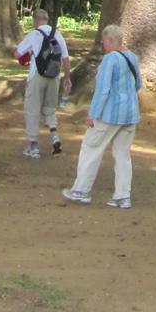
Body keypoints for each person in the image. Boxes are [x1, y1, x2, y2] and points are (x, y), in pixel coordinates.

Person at [62, 24, 141, 209]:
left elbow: (103, 90)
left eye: (104, 42)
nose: (103, 46)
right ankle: (122, 196)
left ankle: (81, 190)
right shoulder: (132, 57)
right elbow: (138, 84)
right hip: (130, 114)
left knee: (91, 148)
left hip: (109, 115)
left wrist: (93, 114)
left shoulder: (110, 60)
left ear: (111, 40)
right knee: (123, 155)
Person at [15, 9, 71, 158]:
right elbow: (65, 59)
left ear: (36, 20)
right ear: (46, 19)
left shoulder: (34, 34)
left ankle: (33, 146)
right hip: (54, 77)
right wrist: (67, 78)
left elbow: (18, 53)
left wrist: (29, 53)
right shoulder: (57, 34)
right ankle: (55, 138)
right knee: (50, 109)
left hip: (37, 76)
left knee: (32, 109)